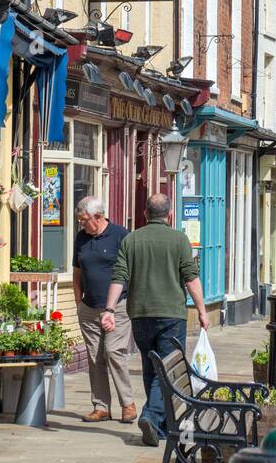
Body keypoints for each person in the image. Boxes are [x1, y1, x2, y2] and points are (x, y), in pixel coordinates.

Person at [102, 190, 209, 447]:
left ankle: (159, 428)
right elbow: (191, 277)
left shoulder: (131, 240)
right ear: (170, 215)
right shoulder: (179, 239)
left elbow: (119, 276)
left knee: (151, 367)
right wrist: (202, 310)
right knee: (168, 371)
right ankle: (151, 416)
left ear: (145, 213)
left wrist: (109, 309)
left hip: (140, 315)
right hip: (171, 315)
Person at [72, 196, 135, 424]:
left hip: (117, 307)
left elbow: (130, 271)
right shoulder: (81, 238)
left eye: (83, 220)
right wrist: (78, 302)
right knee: (94, 357)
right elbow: (77, 271)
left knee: (113, 352)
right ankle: (101, 407)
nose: (81, 224)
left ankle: (127, 404)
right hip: (89, 308)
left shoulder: (121, 235)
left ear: (98, 217)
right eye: (79, 220)